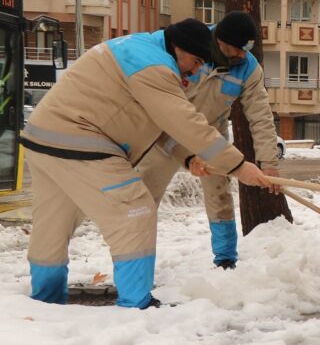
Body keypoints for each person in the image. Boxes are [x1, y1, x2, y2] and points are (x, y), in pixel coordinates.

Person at [21, 19, 274, 309]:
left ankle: (45, 303)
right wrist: (239, 166)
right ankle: (136, 305)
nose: (193, 72)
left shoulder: (143, 49)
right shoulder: (156, 66)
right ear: (179, 48)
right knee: (135, 209)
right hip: (82, 139)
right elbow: (182, 121)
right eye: (193, 62)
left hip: (45, 137)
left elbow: (164, 125)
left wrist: (189, 158)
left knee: (54, 223)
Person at [136, 11, 281, 270]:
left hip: (210, 138)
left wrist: (269, 162)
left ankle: (226, 259)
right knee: (144, 198)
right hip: (166, 133)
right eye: (237, 49)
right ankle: (135, 261)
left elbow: (260, 116)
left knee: (220, 197)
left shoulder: (248, 68)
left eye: (246, 49)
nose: (242, 56)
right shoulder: (191, 46)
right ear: (221, 40)